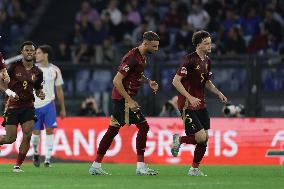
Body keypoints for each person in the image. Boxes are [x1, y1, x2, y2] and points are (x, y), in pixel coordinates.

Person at [89, 31, 160, 176]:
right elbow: (116, 80)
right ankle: (140, 167)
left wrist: (148, 82)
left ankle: (95, 165)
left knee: (112, 131)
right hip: (123, 100)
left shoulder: (142, 57)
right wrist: (130, 100)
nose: (156, 49)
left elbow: (136, 76)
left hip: (121, 99)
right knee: (144, 127)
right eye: (154, 46)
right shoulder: (132, 57)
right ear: (145, 43)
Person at [171, 30, 227, 176]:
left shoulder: (208, 61)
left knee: (204, 139)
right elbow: (176, 81)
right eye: (206, 43)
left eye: (210, 42)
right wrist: (189, 97)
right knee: (201, 137)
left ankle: (194, 169)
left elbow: (207, 82)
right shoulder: (189, 60)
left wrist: (218, 93)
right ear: (198, 45)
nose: (210, 45)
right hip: (187, 104)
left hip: (201, 103)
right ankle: (179, 139)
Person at [0, 41, 45, 172]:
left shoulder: (38, 72)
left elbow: (37, 89)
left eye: (32, 50)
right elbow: (1, 82)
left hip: (28, 106)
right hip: (12, 106)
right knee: (10, 139)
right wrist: (8, 92)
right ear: (22, 52)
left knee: (28, 134)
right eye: (27, 50)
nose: (29, 52)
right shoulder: (13, 67)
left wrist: (40, 93)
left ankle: (17, 166)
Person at [31, 45, 66, 167]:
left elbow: (59, 90)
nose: (36, 55)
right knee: (35, 133)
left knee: (50, 130)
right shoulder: (32, 69)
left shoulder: (55, 70)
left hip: (49, 105)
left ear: (46, 55)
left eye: (38, 53)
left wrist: (63, 108)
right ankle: (35, 153)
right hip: (34, 105)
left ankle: (47, 159)